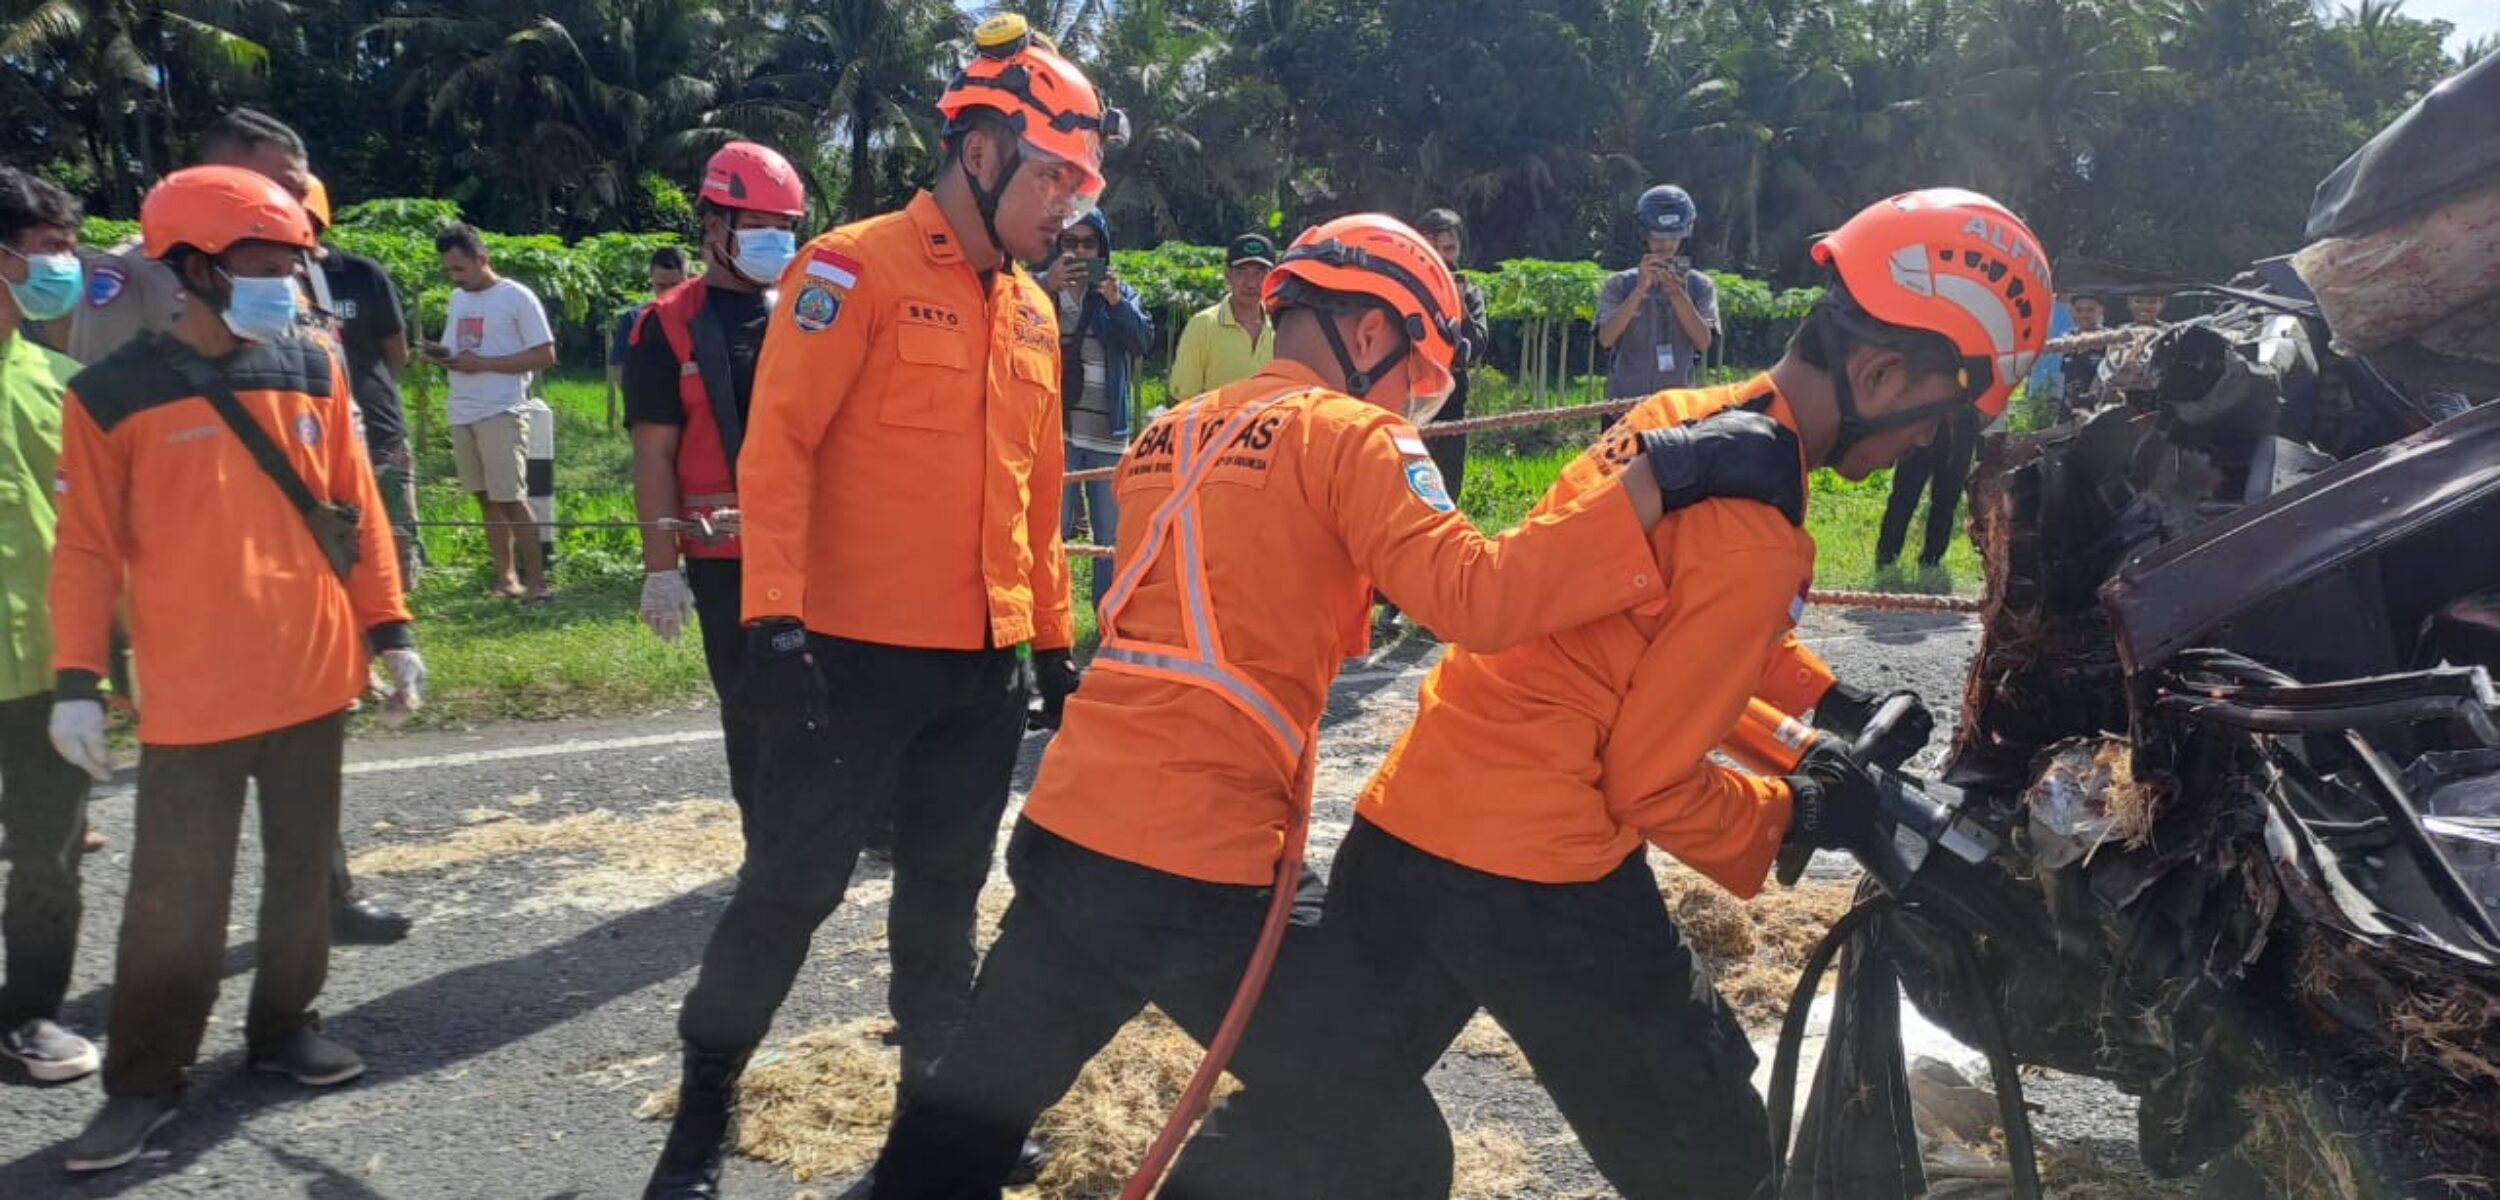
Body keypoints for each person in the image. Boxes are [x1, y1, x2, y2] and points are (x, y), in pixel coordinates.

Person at [862, 213, 1808, 1199]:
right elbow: (1477, 600)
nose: (1412, 404)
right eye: (1417, 378)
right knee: (1386, 1150)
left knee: (966, 1118)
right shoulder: (1351, 434)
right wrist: (1662, 476)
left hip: (1071, 829)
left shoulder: (1168, 432)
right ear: (1368, 334)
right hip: (1202, 870)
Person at [1310, 188, 2051, 1200]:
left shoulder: (1677, 424)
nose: (1926, 449)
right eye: (1936, 423)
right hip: (1542, 873)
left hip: (1411, 820)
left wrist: (1827, 706)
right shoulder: (1757, 534)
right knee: (1715, 1160)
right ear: (1880, 374)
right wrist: (1796, 814)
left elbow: (1645, 637)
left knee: (1306, 1127)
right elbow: (1649, 782)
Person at [640, 17, 1121, 1195]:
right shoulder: (851, 269)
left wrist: (1051, 642)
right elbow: (779, 449)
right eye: (1054, 180)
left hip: (979, 671)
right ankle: (701, 1114)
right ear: (983, 153)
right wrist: (773, 619)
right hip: (845, 665)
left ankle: (932, 1126)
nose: (1067, 210)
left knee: (945, 904)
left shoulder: (1032, 313)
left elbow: (1034, 492)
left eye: (1079, 189)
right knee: (789, 892)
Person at [48, 165, 425, 1173]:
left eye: (292, 263)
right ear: (191, 268)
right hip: (191, 693)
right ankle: (143, 1083)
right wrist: (78, 679)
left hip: (314, 672)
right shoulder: (109, 394)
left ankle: (284, 1028)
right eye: (261, 263)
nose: (284, 282)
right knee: (175, 899)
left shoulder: (314, 365)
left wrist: (391, 630)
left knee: (304, 879)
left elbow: (356, 506)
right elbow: (84, 547)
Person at [625, 142, 806, 828]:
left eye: (785, 227)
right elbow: (653, 454)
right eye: (758, 225)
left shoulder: (808, 311)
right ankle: (769, 839)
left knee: (837, 688)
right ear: (713, 225)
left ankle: (857, 827)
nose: (774, 240)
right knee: (752, 702)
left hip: (817, 545)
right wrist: (660, 569)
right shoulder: (667, 325)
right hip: (725, 555)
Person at [0, 166, 101, 1085]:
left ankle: (29, 1012)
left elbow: (101, 536)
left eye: (70, 249)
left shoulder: (65, 385)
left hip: (47, 670)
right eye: (46, 250)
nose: (64, 268)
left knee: (48, 857)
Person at [429, 223, 555, 603]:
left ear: (482, 258)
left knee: (511, 499)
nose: (455, 276)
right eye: (449, 269)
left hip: (501, 409)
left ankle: (538, 584)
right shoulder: (458, 299)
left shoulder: (517, 297)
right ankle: (506, 578)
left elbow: (545, 355)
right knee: (486, 498)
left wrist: (484, 364)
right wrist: (440, 355)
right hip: (462, 409)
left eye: (460, 268)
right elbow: (461, 350)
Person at [307, 176, 420, 585]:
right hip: (307, 432)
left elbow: (395, 351)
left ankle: (396, 593)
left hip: (375, 424)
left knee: (392, 531)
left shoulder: (361, 274)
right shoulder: (267, 283)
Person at [1042, 208, 1153, 610]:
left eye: (1089, 244)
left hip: (1107, 434)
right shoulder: (1039, 290)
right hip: (1056, 430)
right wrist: (1045, 285)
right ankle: (1052, 615)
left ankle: (1106, 616)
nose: (1079, 252)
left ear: (1102, 250)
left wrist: (1117, 302)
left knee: (1109, 536)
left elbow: (1142, 342)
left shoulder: (1120, 294)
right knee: (1051, 529)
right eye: (1069, 242)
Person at [1599, 184, 1720, 399]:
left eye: (1673, 237)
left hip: (1677, 406)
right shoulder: (1619, 284)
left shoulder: (1700, 285)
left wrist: (1677, 294)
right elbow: (1606, 339)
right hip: (1623, 406)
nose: (1665, 245)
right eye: (1658, 237)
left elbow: (1703, 342)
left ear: (1685, 235)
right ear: (1645, 236)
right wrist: (1639, 290)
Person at [1167, 232, 1278, 398]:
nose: (1251, 283)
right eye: (1242, 272)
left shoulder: (1282, 327)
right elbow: (1185, 396)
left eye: (1260, 273)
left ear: (1272, 277)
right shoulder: (1203, 326)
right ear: (1227, 275)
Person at [1873, 405, 1983, 573]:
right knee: (1904, 497)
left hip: (1961, 422)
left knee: (1946, 500)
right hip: (1924, 417)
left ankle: (1931, 560)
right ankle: (1886, 557)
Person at [610, 247, 690, 427]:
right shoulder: (635, 319)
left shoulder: (701, 318)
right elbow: (623, 374)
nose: (668, 293)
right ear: (651, 280)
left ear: (688, 279)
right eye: (661, 286)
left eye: (675, 286)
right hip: (653, 417)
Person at [2058, 293, 2108, 419]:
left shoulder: (2110, 340)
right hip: (2069, 409)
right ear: (2071, 312)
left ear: (2100, 311)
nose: (2083, 315)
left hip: (2098, 410)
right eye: (2079, 310)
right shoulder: (2069, 339)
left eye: (2090, 310)